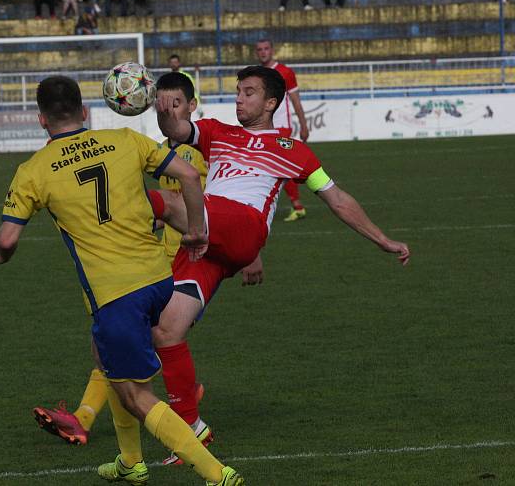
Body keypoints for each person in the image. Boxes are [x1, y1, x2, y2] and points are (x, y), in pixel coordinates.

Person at [0, 75, 246, 486]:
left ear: (41, 120)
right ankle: (130, 462)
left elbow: (7, 239)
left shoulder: (33, 171)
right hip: (159, 278)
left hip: (115, 292)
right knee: (103, 357)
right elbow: (191, 177)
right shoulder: (126, 139)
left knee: (137, 396)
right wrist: (196, 230)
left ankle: (217, 474)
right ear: (86, 111)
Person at [149, 66, 410, 462]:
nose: (239, 98)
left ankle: (98, 215)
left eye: (249, 92)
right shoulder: (219, 131)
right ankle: (191, 429)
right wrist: (164, 107)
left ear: (271, 102)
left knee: (163, 202)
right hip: (210, 236)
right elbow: (178, 129)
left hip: (241, 226)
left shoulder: (294, 151)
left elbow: (337, 199)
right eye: (237, 91)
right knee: (166, 330)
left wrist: (383, 239)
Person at [255, 38, 310, 221]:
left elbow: (295, 101)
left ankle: (297, 205)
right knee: (274, 167)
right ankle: (294, 205)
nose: (263, 52)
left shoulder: (285, 72)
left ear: (272, 50)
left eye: (266, 48)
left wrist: (303, 124)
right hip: (264, 127)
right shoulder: (257, 74)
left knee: (278, 167)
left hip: (281, 127)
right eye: (260, 49)